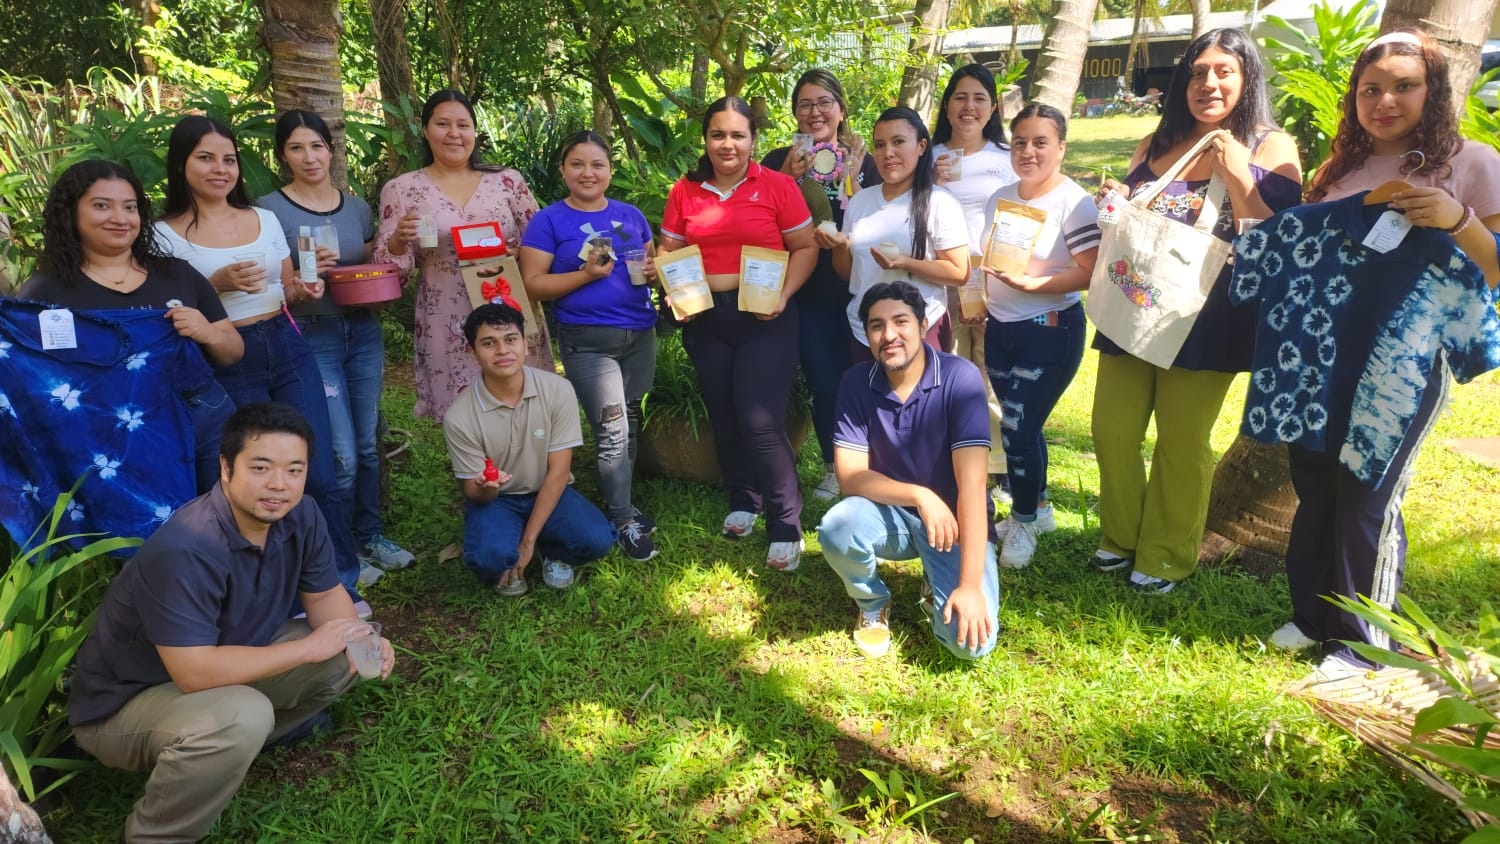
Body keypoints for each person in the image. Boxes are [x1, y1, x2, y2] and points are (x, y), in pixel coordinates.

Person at [1255, 29, 1500, 672]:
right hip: (1318, 358)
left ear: (1434, 91)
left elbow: (1497, 271)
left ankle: (1366, 645)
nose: (1385, 100)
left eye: (1403, 86)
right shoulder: (1337, 171)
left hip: (1405, 359)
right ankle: (1313, 615)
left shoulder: (1471, 163)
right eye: (1371, 89)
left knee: (1369, 492)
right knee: (1314, 486)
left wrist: (1456, 219)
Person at [67, 402, 395, 844]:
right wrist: (307, 648)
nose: (279, 485)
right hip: (124, 706)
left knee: (347, 649)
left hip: (219, 666)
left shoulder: (302, 514)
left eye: (294, 470)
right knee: (244, 715)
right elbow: (194, 671)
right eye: (261, 467)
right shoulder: (188, 545)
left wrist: (359, 640)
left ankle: (232, 749)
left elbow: (323, 597)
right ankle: (156, 836)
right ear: (226, 467)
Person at [1091, 28, 1302, 594]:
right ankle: (1122, 535)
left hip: (1205, 317)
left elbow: (1275, 237)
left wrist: (1235, 170)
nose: (1208, 83)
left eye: (1223, 71)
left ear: (1247, 78)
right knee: (1111, 430)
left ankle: (1165, 555)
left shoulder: (1270, 146)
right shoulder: (1155, 142)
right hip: (1133, 304)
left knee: (1181, 441)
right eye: (1197, 71)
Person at [154, 114, 370, 613]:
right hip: (225, 357)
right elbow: (168, 313)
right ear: (181, 164)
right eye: (205, 158)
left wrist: (302, 287)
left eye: (228, 159)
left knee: (313, 466)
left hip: (285, 343)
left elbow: (287, 287)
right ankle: (273, 590)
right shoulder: (163, 236)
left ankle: (340, 582)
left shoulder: (263, 219)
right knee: (254, 478)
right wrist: (216, 285)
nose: (220, 169)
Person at [658, 95, 818, 571]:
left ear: (753, 140)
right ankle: (743, 500)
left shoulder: (777, 185)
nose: (727, 144)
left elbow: (805, 247)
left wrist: (785, 294)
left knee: (760, 420)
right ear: (705, 139)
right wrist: (674, 293)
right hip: (706, 319)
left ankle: (786, 523)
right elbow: (671, 250)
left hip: (765, 319)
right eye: (717, 134)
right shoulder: (684, 191)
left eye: (738, 135)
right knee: (724, 412)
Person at [19, 159, 243, 494]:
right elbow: (33, 380)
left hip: (203, 422)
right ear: (71, 213)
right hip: (110, 436)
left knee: (224, 519)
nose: (120, 219)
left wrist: (207, 332)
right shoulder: (46, 293)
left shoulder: (176, 274)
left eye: (130, 207)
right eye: (101, 206)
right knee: (151, 534)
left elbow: (233, 351)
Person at [258, 109, 415, 581]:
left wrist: (397, 247)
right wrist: (304, 272)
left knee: (367, 443)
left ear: (331, 150)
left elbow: (368, 263)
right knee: (340, 451)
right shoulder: (268, 211)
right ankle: (338, 549)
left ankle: (371, 536)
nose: (309, 157)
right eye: (296, 147)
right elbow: (268, 280)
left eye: (317, 146)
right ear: (283, 155)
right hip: (311, 335)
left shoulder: (356, 207)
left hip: (362, 330)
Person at [817, 281, 999, 660]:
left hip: (955, 522)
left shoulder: (959, 378)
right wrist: (920, 495)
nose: (889, 335)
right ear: (865, 334)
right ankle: (872, 603)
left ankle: (940, 583)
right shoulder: (856, 382)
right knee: (838, 525)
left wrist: (968, 586)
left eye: (900, 321)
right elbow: (850, 478)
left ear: (922, 324)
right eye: (876, 325)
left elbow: (973, 486)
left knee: (972, 646)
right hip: (892, 515)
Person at [518, 131, 659, 562]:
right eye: (577, 164)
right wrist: (585, 276)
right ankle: (621, 519)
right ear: (563, 171)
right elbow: (532, 284)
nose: (587, 173)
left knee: (629, 417)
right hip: (586, 339)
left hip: (639, 332)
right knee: (613, 427)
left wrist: (653, 271)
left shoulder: (630, 214)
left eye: (597, 164)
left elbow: (649, 260)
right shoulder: (548, 221)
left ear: (610, 171)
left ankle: (623, 504)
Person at [374, 89, 551, 421]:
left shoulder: (507, 182)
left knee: (523, 412)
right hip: (446, 318)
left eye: (463, 125)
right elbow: (392, 275)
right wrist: (398, 241)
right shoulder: (402, 189)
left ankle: (535, 473)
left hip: (508, 307)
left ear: (474, 131)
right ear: (425, 129)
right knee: (466, 421)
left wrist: (515, 253)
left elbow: (540, 245)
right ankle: (476, 474)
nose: (454, 134)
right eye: (443, 124)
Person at [980, 104, 1099, 569]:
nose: (1028, 151)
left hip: (1049, 330)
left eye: (1040, 142)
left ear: (1061, 148)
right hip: (1000, 328)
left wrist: (1037, 285)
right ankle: (1042, 508)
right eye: (1020, 142)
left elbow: (1089, 273)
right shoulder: (1002, 197)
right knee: (1021, 425)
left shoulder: (1074, 201)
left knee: (1016, 428)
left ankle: (1023, 520)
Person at [760, 69, 882, 501]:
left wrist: (861, 174)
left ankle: (877, 461)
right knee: (825, 379)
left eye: (824, 102)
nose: (815, 112)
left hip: (859, 286)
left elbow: (883, 209)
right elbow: (760, 218)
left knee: (866, 377)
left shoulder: (865, 159)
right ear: (794, 113)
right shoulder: (777, 161)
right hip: (805, 289)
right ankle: (835, 466)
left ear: (841, 110)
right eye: (805, 104)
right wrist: (787, 178)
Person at [444, 302, 618, 593]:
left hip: (549, 489)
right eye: (489, 343)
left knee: (597, 540)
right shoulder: (459, 416)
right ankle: (510, 549)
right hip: (498, 500)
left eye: (510, 340)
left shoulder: (558, 390)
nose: (502, 350)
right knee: (489, 560)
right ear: (473, 353)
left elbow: (560, 472)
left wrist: (528, 541)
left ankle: (550, 550)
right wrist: (487, 487)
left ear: (526, 345)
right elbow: (472, 492)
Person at [818, 107, 970, 359]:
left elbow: (959, 272)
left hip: (921, 330)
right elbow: (849, 274)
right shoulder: (860, 201)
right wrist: (839, 245)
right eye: (879, 145)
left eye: (898, 142)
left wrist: (905, 262)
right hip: (866, 331)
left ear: (921, 146)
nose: (887, 153)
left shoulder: (940, 202)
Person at [932, 64, 1018, 500]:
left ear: (993, 107)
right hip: (936, 278)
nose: (969, 107)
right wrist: (929, 183)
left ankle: (997, 467)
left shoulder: (1007, 158)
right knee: (944, 369)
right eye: (960, 97)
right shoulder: (924, 157)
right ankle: (950, 458)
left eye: (979, 98)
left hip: (989, 278)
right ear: (946, 106)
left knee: (988, 372)